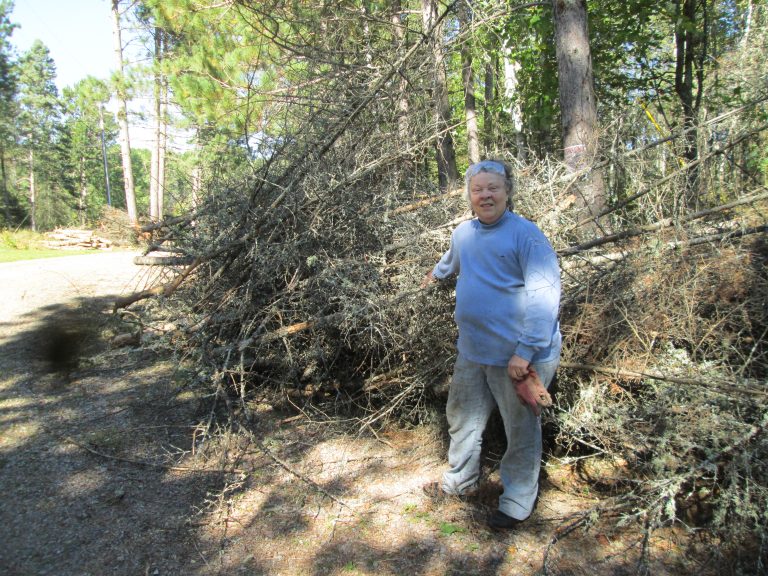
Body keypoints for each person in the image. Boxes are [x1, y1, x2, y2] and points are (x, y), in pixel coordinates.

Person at [421, 159, 562, 530]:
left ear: (507, 191)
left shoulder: (525, 235)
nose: (486, 195)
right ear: (469, 195)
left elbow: (545, 295)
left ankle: (516, 502)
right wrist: (434, 275)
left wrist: (525, 351)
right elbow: (451, 262)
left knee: (520, 430)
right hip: (473, 349)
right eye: (478, 189)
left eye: (493, 188)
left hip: (517, 356)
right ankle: (461, 481)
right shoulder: (463, 233)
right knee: (462, 417)